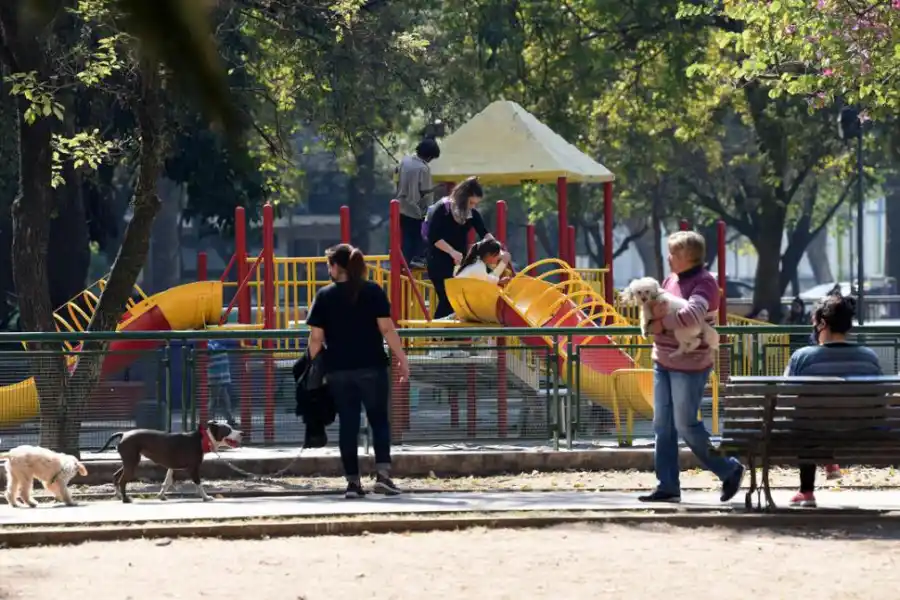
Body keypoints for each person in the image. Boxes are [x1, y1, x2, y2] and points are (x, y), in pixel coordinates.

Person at [639, 230, 745, 504]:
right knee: (662, 426)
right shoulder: (670, 280)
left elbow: (693, 314)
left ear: (688, 256)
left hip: (690, 364)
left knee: (685, 424)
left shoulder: (705, 283)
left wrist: (660, 324)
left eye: (673, 252)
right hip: (663, 360)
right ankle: (667, 485)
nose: (669, 257)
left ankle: (729, 468)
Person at [306, 243, 411, 499]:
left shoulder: (325, 295)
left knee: (348, 425)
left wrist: (312, 365)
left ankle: (353, 483)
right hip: (373, 366)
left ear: (335, 267)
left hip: (339, 370)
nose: (328, 270)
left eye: (329, 265)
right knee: (379, 421)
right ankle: (383, 477)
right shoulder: (373, 291)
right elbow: (387, 329)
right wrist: (402, 358)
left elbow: (316, 339)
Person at [783, 293, 881, 507]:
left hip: (812, 434)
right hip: (861, 433)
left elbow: (785, 399)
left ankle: (807, 491)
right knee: (816, 421)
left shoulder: (802, 357)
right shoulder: (869, 357)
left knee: (806, 424)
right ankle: (828, 461)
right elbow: (880, 401)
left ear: (822, 324)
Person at [425, 176, 493, 319]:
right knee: (447, 300)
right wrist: (452, 252)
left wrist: (498, 248)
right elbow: (434, 237)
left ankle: (443, 331)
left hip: (458, 264)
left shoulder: (472, 213)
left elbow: (484, 233)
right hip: (438, 262)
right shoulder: (442, 209)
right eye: (471, 202)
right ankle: (436, 330)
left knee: (456, 301)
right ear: (463, 198)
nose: (472, 206)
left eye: (475, 203)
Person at [396, 138, 441, 268]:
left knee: (406, 236)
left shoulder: (405, 161)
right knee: (420, 235)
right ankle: (417, 258)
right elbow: (424, 190)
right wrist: (437, 188)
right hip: (416, 209)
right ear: (429, 156)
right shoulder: (423, 168)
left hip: (401, 205)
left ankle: (403, 262)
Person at [207, 339, 237, 427]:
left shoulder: (217, 343)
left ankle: (229, 419)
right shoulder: (211, 344)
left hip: (221, 376)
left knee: (223, 398)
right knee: (214, 398)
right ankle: (210, 420)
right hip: (216, 376)